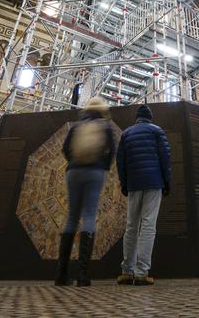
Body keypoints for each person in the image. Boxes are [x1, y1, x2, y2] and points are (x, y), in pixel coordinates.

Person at [56, 97, 116, 287]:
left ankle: (61, 275)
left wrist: (73, 163)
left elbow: (65, 148)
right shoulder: (105, 125)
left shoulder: (76, 126)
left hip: (74, 171)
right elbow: (111, 151)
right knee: (89, 216)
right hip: (95, 172)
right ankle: (82, 275)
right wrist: (103, 167)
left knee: (72, 218)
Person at [116, 104, 171, 286]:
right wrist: (167, 181)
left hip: (133, 184)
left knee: (131, 226)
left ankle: (126, 271)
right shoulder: (157, 131)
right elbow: (165, 158)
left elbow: (120, 162)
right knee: (148, 226)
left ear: (137, 118)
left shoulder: (126, 134)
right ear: (150, 118)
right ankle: (141, 272)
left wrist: (124, 183)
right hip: (154, 182)